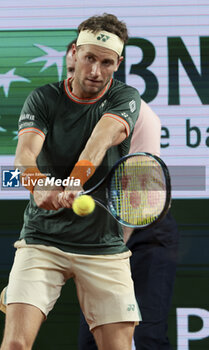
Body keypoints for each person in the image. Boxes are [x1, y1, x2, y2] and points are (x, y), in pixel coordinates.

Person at [0, 13, 143, 350]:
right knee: (15, 345)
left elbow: (101, 140)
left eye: (106, 62)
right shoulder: (43, 98)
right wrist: (37, 186)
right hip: (42, 240)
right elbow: (24, 157)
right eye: (89, 58)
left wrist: (75, 182)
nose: (95, 71)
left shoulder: (126, 98)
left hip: (103, 245)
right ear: (74, 53)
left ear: (117, 64)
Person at [65, 43, 179, 349]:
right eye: (69, 71)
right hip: (99, 236)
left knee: (147, 337)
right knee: (93, 339)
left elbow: (136, 203)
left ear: (106, 72)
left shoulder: (139, 114)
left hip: (143, 230)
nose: (77, 78)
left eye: (87, 69)